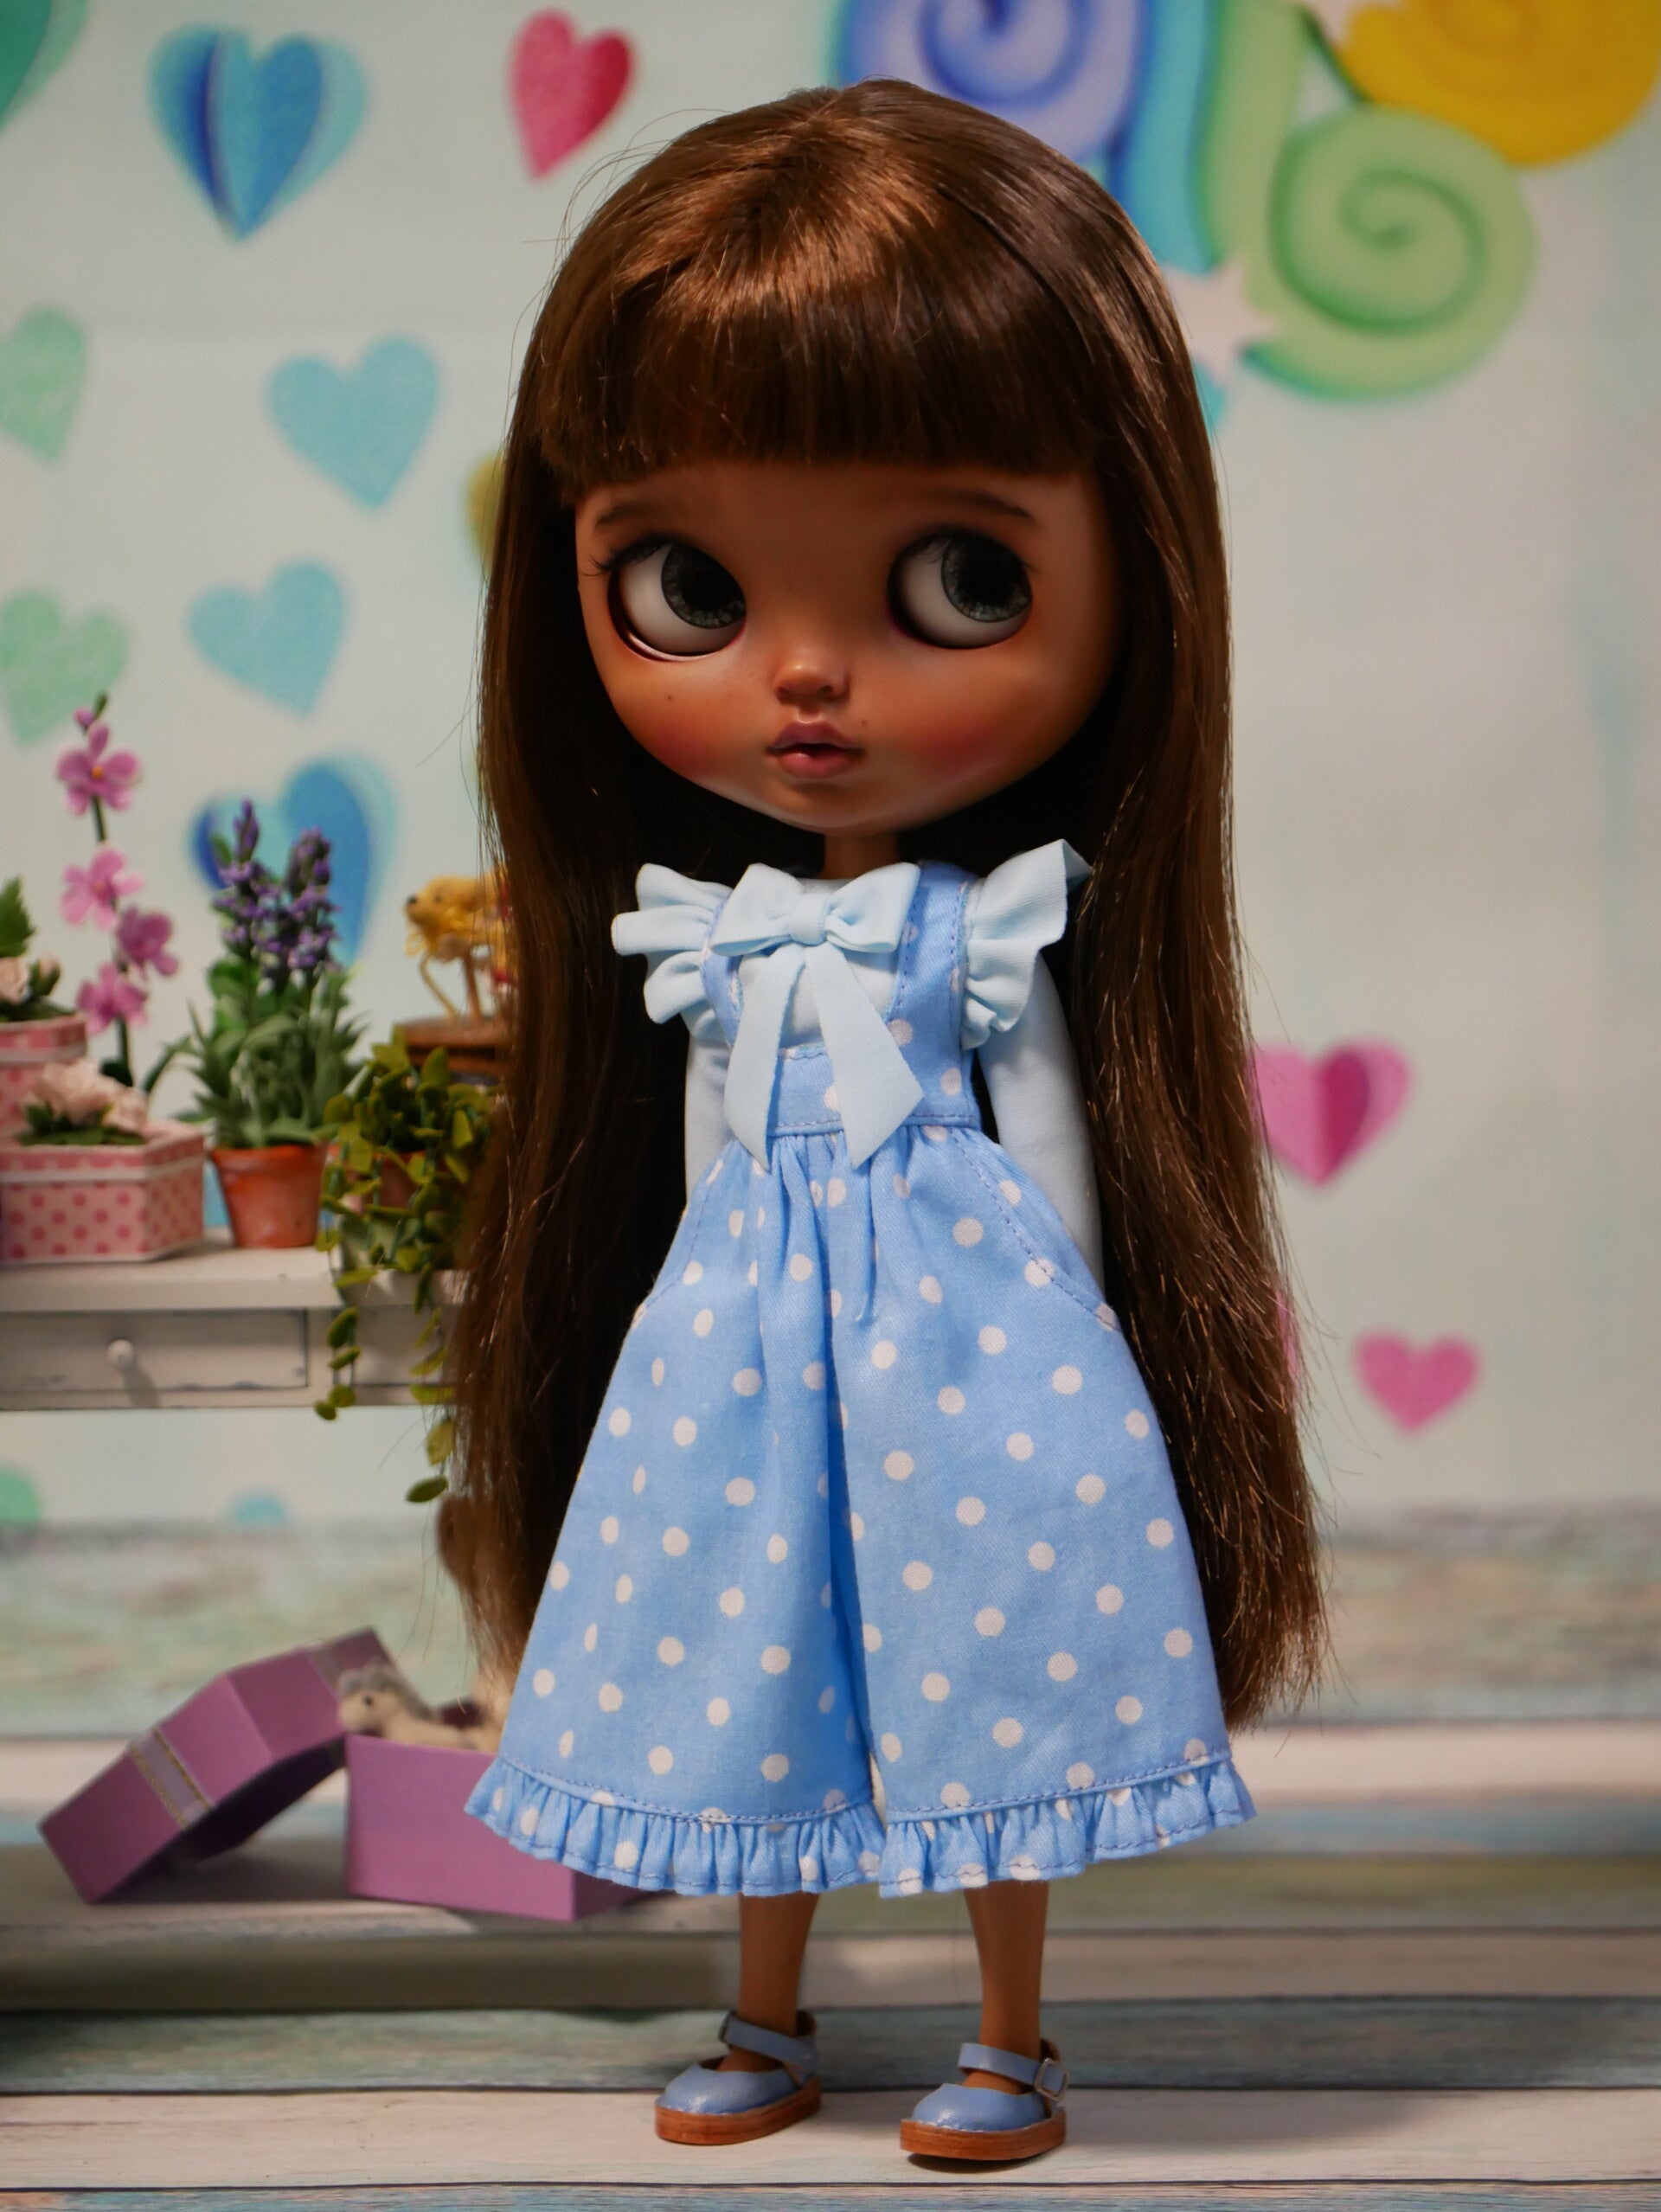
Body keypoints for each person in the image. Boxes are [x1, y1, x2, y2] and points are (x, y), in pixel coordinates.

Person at [445, 79, 1324, 2163]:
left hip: (975, 1359)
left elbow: (1056, 1156)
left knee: (986, 1689)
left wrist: (1071, 1365)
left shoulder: (979, 931)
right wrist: (689, 1324)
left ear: (1130, 568)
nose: (808, 677)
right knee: (752, 1681)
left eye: (956, 577)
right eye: (687, 586)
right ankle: (766, 2005)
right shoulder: (716, 937)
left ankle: (1011, 2031)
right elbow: (705, 1153)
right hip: (745, 1353)